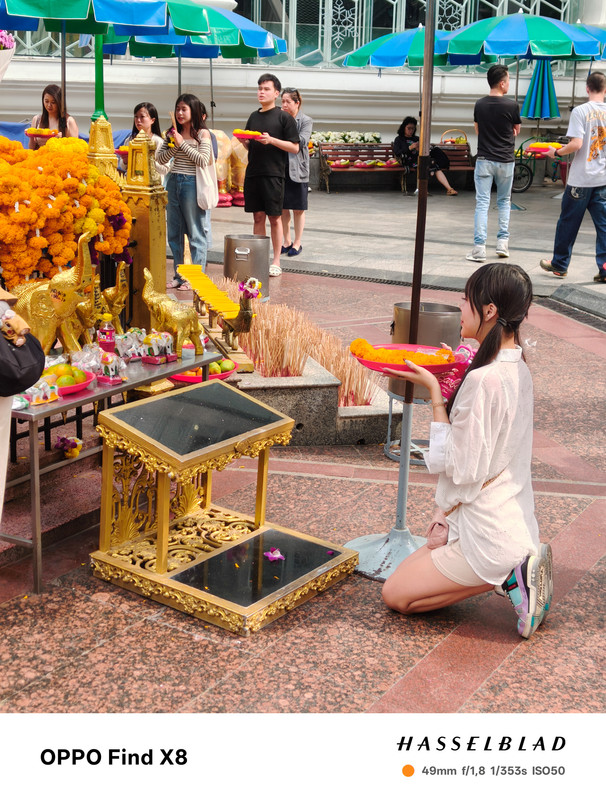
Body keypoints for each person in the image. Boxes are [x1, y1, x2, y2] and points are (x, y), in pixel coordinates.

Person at [381, 262, 553, 640]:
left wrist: (435, 393)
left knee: (395, 595)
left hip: (485, 533)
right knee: (405, 576)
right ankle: (514, 569)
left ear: (489, 310)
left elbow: (459, 467)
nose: (461, 307)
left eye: (465, 299)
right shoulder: (517, 367)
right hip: (507, 518)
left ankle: (510, 577)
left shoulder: (484, 379)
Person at [540, 71, 606, 284]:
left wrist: (557, 152)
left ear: (587, 88)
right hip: (602, 179)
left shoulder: (580, 111)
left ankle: (560, 265)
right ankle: (605, 268)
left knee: (568, 222)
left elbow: (576, 144)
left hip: (580, 180)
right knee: (603, 225)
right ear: (605, 90)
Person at [242, 73, 300, 277]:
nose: (261, 92)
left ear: (276, 93)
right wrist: (244, 142)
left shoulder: (284, 117)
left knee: (275, 218)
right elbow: (251, 145)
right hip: (253, 172)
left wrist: (272, 140)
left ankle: (276, 260)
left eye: (266, 89)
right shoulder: (253, 116)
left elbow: (294, 147)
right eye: (259, 88)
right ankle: (260, 260)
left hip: (274, 174)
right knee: (257, 217)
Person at [156, 94, 214, 291]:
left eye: (184, 109)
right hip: (173, 181)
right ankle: (179, 276)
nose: (179, 113)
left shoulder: (203, 134)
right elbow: (160, 158)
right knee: (175, 234)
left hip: (192, 184)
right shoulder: (171, 133)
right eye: (178, 109)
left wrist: (182, 144)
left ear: (194, 111)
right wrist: (174, 145)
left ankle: (196, 278)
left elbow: (203, 160)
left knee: (196, 233)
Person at [467, 65, 521, 262]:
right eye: (508, 80)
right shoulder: (512, 106)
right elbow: (516, 130)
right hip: (506, 160)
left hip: (484, 160)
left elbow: (478, 130)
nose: (509, 84)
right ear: (502, 83)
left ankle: (479, 249)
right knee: (504, 201)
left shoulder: (479, 105)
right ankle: (502, 244)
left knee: (482, 203)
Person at [280, 88, 313, 257]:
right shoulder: (279, 118)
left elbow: (302, 141)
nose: (284, 105)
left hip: (298, 169)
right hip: (280, 167)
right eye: (282, 102)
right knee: (283, 208)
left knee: (298, 209)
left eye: (288, 102)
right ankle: (286, 241)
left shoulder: (305, 120)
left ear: (297, 103)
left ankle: (297, 242)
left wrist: (287, 125)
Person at [392, 116, 458, 195]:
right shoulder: (399, 139)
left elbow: (425, 149)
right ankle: (423, 189)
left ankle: (449, 189)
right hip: (408, 161)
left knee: (435, 166)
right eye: (409, 128)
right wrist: (410, 147)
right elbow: (397, 152)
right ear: (404, 128)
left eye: (413, 128)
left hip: (420, 158)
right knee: (423, 166)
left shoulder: (417, 138)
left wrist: (421, 148)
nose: (411, 131)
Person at [120, 102, 171, 177]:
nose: (138, 120)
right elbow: (123, 167)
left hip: (151, 182)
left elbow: (165, 169)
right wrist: (125, 161)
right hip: (132, 181)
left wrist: (147, 160)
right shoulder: (130, 140)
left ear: (152, 120)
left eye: (142, 117)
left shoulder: (158, 142)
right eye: (136, 117)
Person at [29, 83, 78, 150]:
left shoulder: (69, 121)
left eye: (53, 102)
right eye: (46, 101)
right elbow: (31, 148)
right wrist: (31, 135)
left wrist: (59, 142)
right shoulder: (37, 119)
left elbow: (75, 149)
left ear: (59, 102)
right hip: (40, 155)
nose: (49, 105)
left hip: (59, 155)